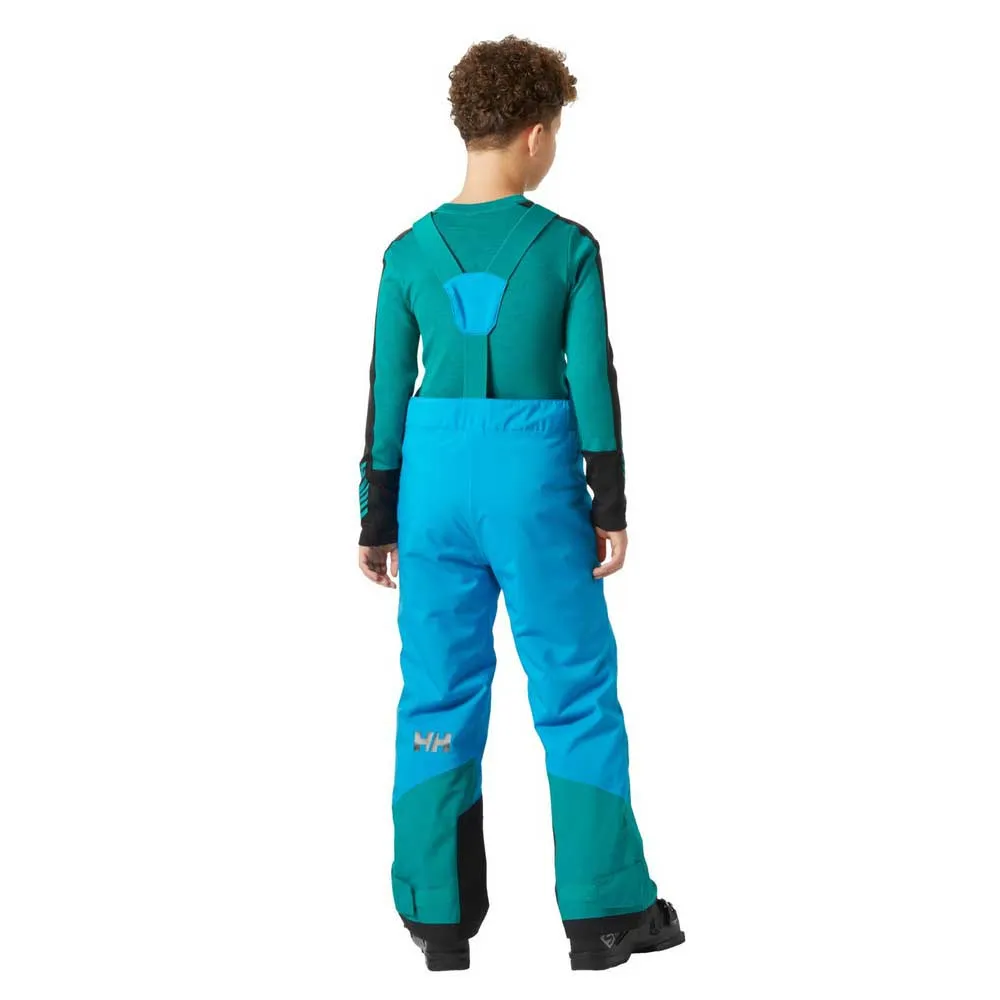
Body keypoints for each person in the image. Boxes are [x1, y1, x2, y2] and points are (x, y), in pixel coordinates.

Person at [357, 35, 684, 972]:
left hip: (429, 488)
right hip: (534, 484)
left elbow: (386, 389)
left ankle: (436, 916)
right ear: (537, 134)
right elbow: (593, 382)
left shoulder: (406, 254)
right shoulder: (568, 248)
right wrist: (610, 502)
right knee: (573, 688)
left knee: (437, 690)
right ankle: (606, 916)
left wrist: (376, 515)